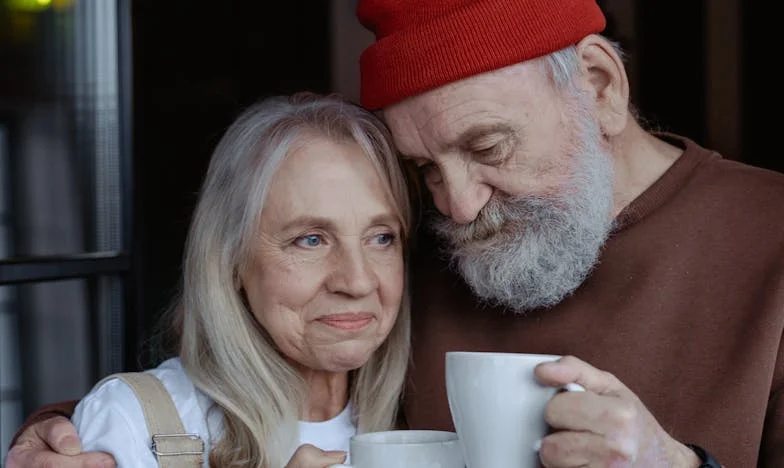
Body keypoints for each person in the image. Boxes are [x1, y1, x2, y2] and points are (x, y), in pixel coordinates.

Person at [6, 0, 784, 466]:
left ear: (601, 87)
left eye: (486, 149)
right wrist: (79, 432)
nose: (456, 205)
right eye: (422, 172)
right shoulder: (419, 246)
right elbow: (258, 374)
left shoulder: (768, 242)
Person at [5, 92, 414, 468]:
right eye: (310, 240)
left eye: (381, 237)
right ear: (231, 258)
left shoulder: (419, 421)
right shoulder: (134, 423)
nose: (358, 281)